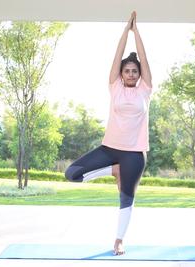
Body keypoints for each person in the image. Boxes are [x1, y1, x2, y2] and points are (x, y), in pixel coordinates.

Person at [65, 11, 152, 255]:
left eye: (135, 71)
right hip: (110, 148)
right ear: (121, 74)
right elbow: (117, 56)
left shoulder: (146, 89)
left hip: (134, 154)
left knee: (126, 198)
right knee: (72, 174)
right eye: (128, 71)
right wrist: (127, 31)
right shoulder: (114, 87)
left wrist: (138, 33)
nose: (132, 74)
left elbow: (144, 58)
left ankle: (118, 240)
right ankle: (113, 171)